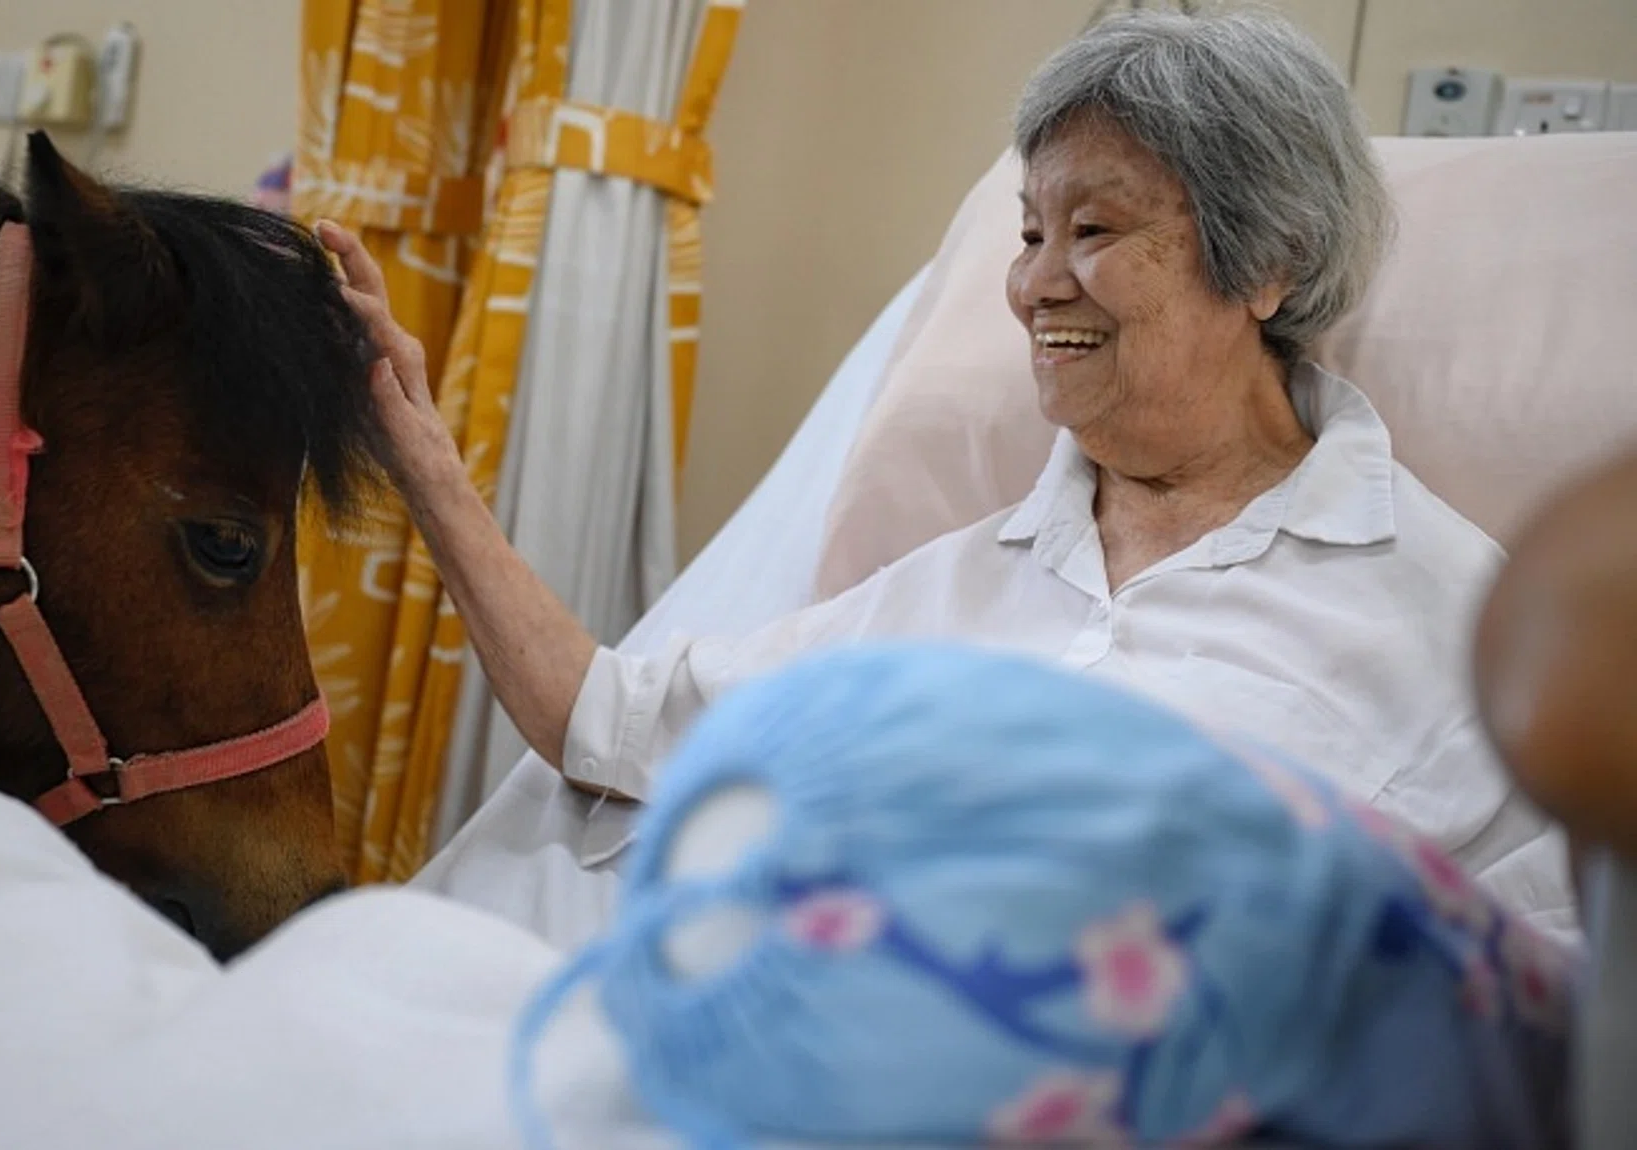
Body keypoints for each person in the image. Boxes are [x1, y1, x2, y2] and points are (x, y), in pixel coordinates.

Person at [320, 7, 1571, 932]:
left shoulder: (1458, 612)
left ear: (1267, 265)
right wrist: (421, 454)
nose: (1031, 284)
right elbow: (604, 723)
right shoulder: (950, 584)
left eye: (1094, 230)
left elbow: (1558, 968)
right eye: (1031, 231)